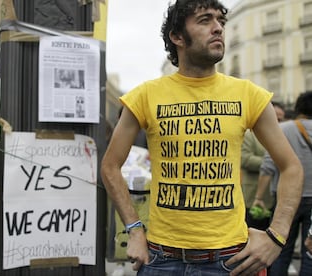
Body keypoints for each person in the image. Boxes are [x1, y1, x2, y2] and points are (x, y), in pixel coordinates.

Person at [100, 1, 304, 275]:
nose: (218, 28)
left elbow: (291, 166)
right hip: (161, 260)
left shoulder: (249, 95)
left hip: (229, 261)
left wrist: (277, 235)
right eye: (205, 20)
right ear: (177, 37)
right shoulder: (144, 96)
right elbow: (110, 166)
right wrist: (135, 230)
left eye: (220, 21)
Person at [255, 92, 312, 275]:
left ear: (297, 108)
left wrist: (258, 197)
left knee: (280, 248)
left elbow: (268, 165)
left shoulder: (285, 129)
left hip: (288, 198)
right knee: (309, 252)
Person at [241, 102, 285, 230]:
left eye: (281, 119)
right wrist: (273, 161)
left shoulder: (283, 136)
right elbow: (245, 159)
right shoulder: (249, 136)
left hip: (276, 194)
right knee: (253, 230)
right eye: (275, 118)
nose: (278, 122)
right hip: (254, 194)